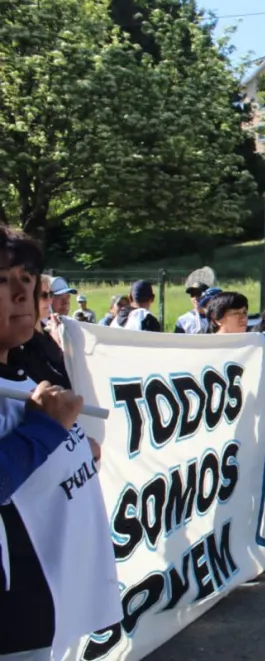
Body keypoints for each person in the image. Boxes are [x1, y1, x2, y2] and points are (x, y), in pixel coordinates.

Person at [0, 227, 120, 660]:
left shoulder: (24, 379)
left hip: (40, 607)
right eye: (1, 280)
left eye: (28, 278)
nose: (21, 293)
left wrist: (72, 448)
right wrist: (49, 431)